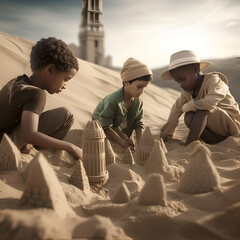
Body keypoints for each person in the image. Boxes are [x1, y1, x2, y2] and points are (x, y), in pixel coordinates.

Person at [0, 37, 82, 159]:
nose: (65, 85)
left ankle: (31, 146)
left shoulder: (17, 82)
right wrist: (71, 147)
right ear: (50, 70)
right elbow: (29, 135)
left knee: (65, 114)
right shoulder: (37, 94)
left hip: (7, 134)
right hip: (4, 149)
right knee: (67, 118)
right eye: (65, 79)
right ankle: (41, 153)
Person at [160, 50, 240, 146]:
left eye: (183, 79)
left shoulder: (213, 80)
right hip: (216, 136)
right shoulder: (187, 92)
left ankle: (189, 144)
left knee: (202, 111)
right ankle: (207, 143)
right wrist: (169, 127)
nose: (181, 84)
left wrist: (185, 107)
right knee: (189, 116)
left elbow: (210, 102)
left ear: (196, 69)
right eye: (178, 82)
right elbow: (176, 108)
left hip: (233, 126)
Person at [92, 57, 153, 149]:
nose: (142, 91)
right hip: (100, 131)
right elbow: (104, 124)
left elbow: (138, 123)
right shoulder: (113, 100)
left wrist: (140, 143)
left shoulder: (138, 103)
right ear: (126, 82)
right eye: (139, 87)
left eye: (144, 88)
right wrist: (122, 143)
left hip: (120, 132)